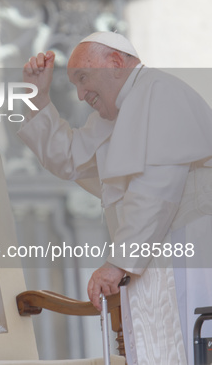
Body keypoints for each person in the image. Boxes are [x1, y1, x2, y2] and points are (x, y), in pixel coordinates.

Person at [18, 31, 212, 364]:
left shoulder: (160, 93)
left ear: (116, 62)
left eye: (83, 78)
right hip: (152, 259)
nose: (80, 95)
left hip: (189, 254)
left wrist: (118, 263)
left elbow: (156, 190)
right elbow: (67, 158)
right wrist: (38, 94)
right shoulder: (118, 114)